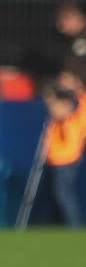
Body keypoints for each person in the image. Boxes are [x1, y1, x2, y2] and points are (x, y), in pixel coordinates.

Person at [41, 80, 86, 227]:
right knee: (59, 196)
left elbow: (64, 111)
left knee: (64, 195)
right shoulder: (58, 119)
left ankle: (75, 226)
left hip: (68, 159)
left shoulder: (73, 112)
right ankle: (65, 225)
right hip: (58, 159)